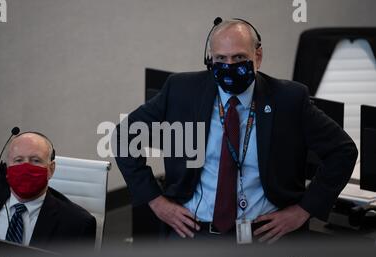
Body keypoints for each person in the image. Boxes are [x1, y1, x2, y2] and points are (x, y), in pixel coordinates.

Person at [115, 19, 358, 243]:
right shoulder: (182, 90)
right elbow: (124, 136)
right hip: (193, 232)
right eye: (221, 59)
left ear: (258, 56)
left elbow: (342, 151)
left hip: (265, 235)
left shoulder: (289, 99)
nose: (229, 66)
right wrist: (156, 201)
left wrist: (305, 209)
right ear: (210, 59)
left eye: (239, 58)